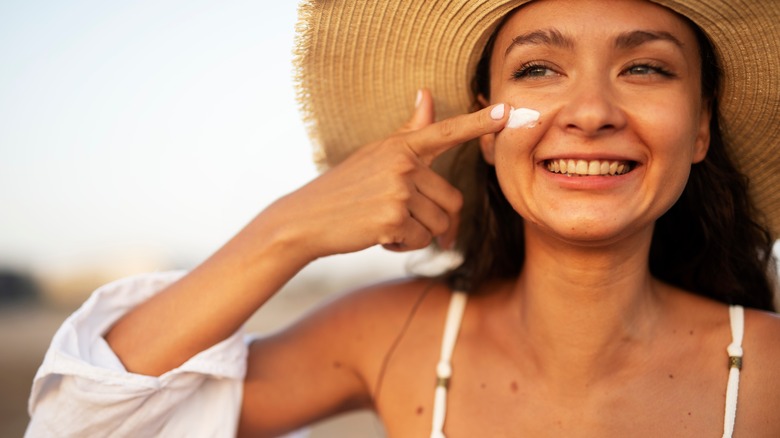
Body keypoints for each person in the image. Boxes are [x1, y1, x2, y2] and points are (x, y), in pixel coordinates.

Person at [26, 0, 780, 437]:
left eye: (644, 67)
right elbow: (83, 426)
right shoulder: (394, 336)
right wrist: (288, 229)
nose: (589, 113)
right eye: (537, 70)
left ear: (702, 127)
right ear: (484, 131)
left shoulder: (771, 372)